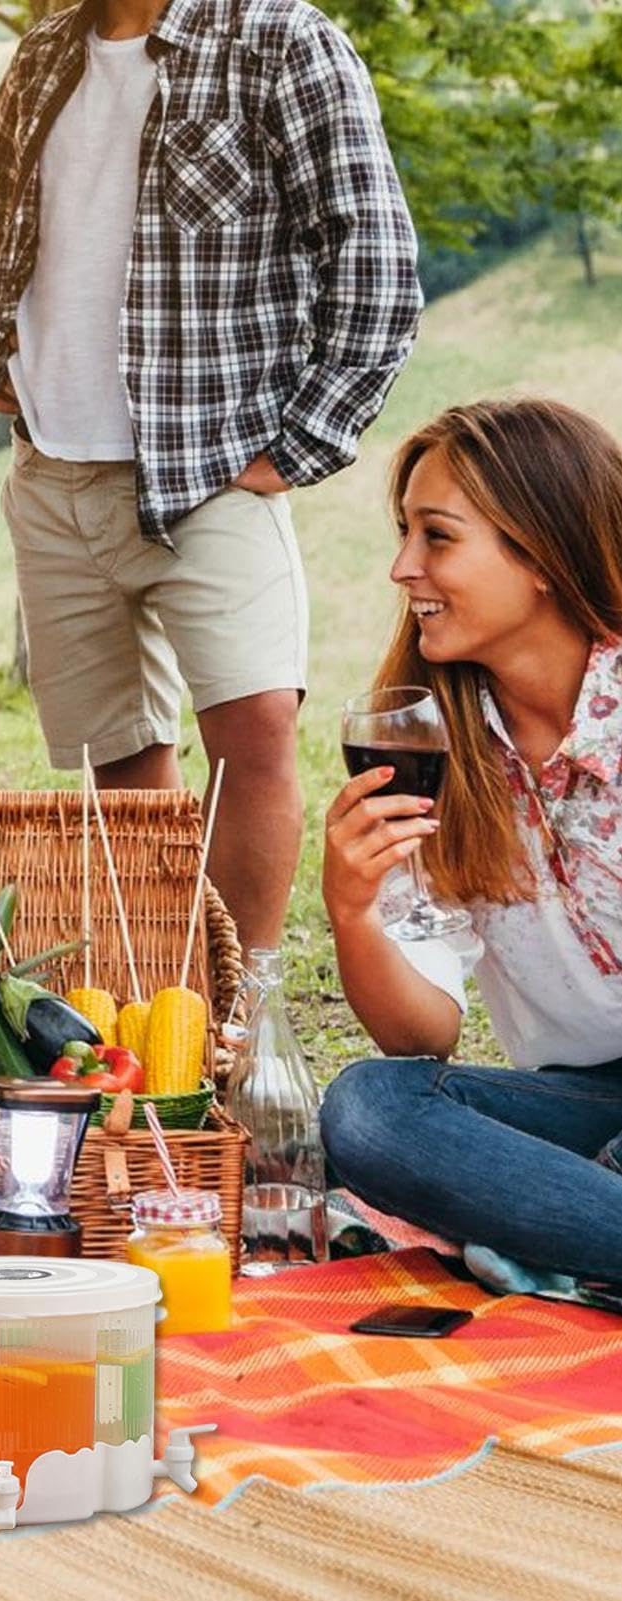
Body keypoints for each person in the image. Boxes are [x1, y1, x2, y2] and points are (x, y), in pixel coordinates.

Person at [0, 0, 422, 952]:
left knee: (254, 739)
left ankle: (237, 1009)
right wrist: (2, 345)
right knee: (118, 757)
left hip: (211, 472)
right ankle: (161, 993)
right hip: (51, 476)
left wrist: (302, 442)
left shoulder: (279, 38)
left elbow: (372, 258)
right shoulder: (44, 53)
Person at [319, 397, 622, 1287]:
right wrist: (352, 912)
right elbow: (424, 1034)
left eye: (437, 536)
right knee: (367, 1109)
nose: (401, 567)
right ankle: (576, 1224)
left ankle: (563, 1229)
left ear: (539, 555)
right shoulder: (428, 754)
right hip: (580, 1102)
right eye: (403, 533)